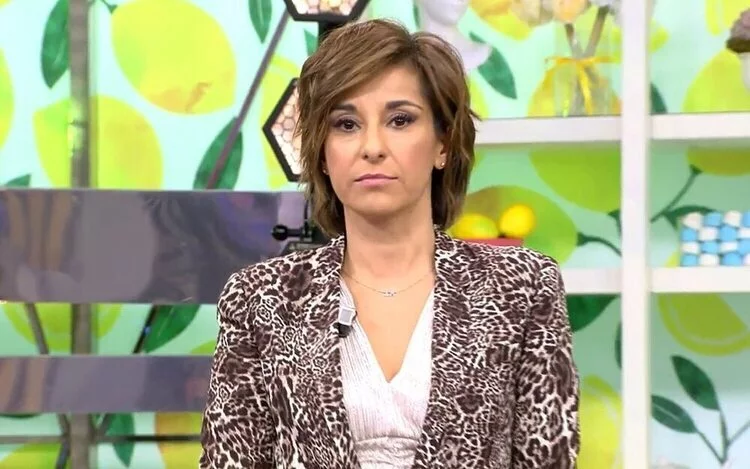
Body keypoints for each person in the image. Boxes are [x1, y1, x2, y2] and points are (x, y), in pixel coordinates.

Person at [199, 18, 579, 469]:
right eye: (346, 124)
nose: (373, 147)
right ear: (322, 153)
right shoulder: (261, 297)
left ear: (442, 144)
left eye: (400, 120)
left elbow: (547, 458)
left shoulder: (522, 288)